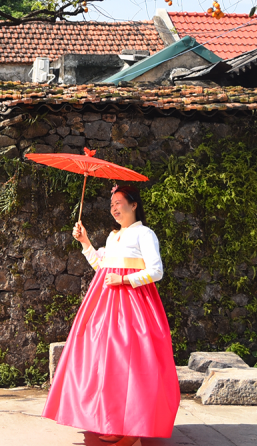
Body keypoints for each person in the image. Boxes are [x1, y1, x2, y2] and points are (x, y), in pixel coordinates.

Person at [42, 184, 180, 446]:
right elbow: (102, 268)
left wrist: (126, 281)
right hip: (106, 307)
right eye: (111, 205)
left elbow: (157, 270)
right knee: (106, 364)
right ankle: (111, 419)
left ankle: (130, 426)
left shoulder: (145, 234)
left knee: (130, 364)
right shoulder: (113, 236)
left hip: (134, 307)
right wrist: (85, 242)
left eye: (118, 202)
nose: (114, 208)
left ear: (134, 204)